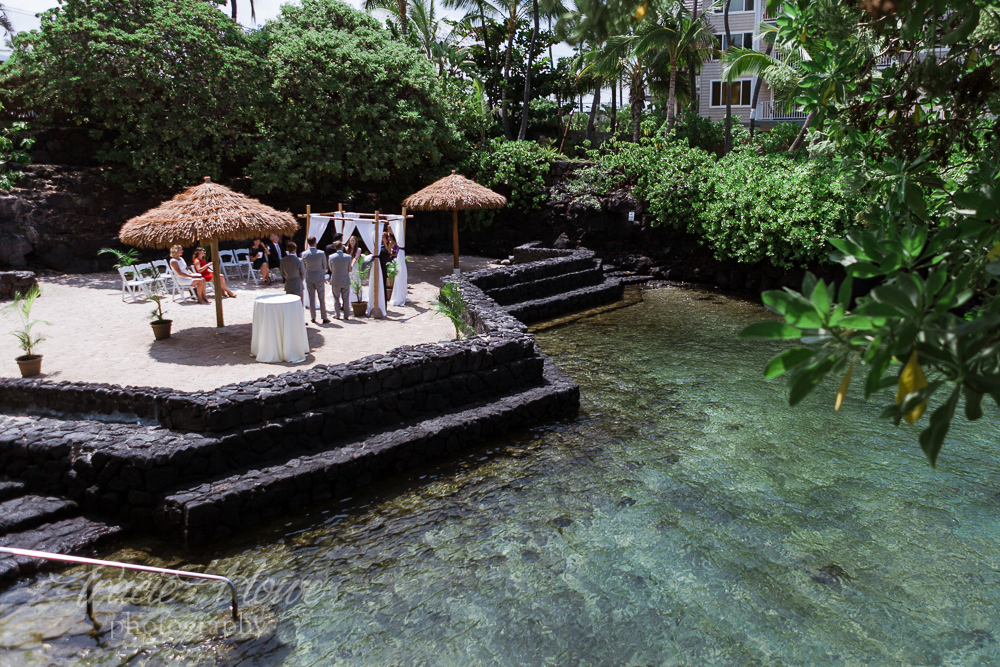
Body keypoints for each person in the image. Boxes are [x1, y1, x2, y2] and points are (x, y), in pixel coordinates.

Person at [301, 236, 330, 323]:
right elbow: (325, 266)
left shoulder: (304, 254)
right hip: (319, 277)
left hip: (309, 277)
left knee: (311, 298)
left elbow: (303, 266)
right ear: (315, 242)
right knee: (321, 297)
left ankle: (313, 317)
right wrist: (323, 273)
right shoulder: (321, 253)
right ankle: (324, 317)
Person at [328, 240, 352, 320]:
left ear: (335, 248)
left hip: (335, 279)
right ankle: (346, 315)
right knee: (346, 298)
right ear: (342, 246)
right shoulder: (348, 257)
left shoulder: (331, 257)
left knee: (336, 297)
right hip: (345, 279)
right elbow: (349, 269)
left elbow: (331, 269)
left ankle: (337, 314)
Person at [280, 241, 305, 305]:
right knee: (299, 304)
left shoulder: (283, 260)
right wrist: (300, 279)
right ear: (295, 249)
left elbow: (282, 272)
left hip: (288, 283)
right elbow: (303, 273)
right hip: (297, 283)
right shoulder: (299, 260)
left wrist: (287, 277)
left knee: (289, 304)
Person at [378, 230, 391, 305]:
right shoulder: (378, 245)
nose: (382, 238)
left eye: (383, 237)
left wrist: (385, 243)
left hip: (387, 261)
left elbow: (388, 251)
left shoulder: (387, 245)